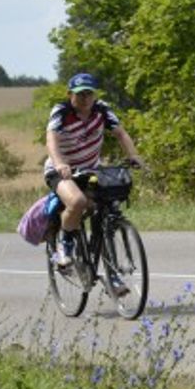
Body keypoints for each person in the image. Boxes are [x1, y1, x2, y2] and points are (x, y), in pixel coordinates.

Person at [44, 72, 143, 296]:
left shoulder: (102, 110)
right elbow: (51, 139)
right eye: (80, 94)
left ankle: (111, 275)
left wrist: (133, 155)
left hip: (91, 169)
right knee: (77, 201)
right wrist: (60, 163)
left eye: (89, 93)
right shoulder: (61, 111)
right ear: (70, 95)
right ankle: (65, 245)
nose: (85, 98)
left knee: (106, 210)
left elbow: (120, 133)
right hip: (61, 171)